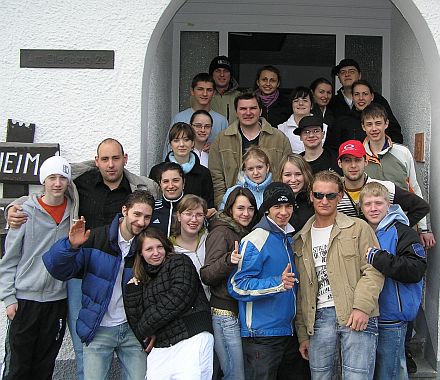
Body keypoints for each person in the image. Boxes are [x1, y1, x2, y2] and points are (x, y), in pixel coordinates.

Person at [6, 138, 160, 380]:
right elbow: (50, 187)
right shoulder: (80, 182)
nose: (111, 165)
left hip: (121, 271)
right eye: (105, 159)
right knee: (85, 346)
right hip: (83, 273)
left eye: (116, 158)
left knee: (128, 341)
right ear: (96, 161)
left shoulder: (138, 189)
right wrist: (15, 206)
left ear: (125, 159)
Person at [43, 190, 155, 380]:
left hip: (132, 330)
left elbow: (156, 289)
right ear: (125, 211)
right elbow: (58, 270)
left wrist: (151, 326)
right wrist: (70, 246)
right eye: (137, 214)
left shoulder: (148, 244)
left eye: (147, 217)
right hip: (99, 328)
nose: (141, 222)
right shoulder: (96, 238)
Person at [294, 170, 384, 380]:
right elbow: (301, 292)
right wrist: (302, 334)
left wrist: (362, 307)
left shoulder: (358, 228)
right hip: (317, 321)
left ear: (340, 196)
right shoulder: (300, 238)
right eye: (318, 195)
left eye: (330, 195)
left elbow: (373, 270)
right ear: (311, 196)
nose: (324, 200)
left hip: (356, 315)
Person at [0, 156, 74, 380]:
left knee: (45, 364)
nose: (58, 183)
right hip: (26, 301)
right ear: (44, 181)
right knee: (18, 367)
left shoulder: (74, 213)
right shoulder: (24, 212)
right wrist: (9, 298)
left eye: (62, 177)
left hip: (56, 301)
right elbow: (9, 259)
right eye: (52, 177)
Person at [228, 182, 310, 380]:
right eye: (277, 207)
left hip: (287, 333)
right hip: (261, 336)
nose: (283, 212)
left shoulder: (288, 237)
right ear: (267, 209)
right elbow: (237, 285)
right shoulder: (256, 238)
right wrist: (277, 284)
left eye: (288, 206)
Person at [124, 228, 214, 380]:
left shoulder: (180, 262)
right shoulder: (140, 281)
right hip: (161, 346)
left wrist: (147, 328)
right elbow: (135, 321)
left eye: (159, 247)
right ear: (141, 253)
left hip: (192, 337)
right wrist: (133, 292)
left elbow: (177, 299)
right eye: (149, 249)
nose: (156, 252)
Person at [360, 182, 426, 380]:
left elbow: (416, 269)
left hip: (391, 317)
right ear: (361, 208)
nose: (373, 208)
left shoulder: (403, 232)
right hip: (366, 314)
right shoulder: (360, 230)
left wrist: (378, 257)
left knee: (391, 371)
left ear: (389, 205)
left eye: (378, 203)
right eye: (368, 204)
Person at [200, 187, 259, 380]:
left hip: (240, 311)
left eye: (250, 208)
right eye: (240, 208)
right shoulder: (221, 232)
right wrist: (228, 260)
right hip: (224, 313)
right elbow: (207, 274)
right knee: (235, 375)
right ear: (230, 209)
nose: (246, 213)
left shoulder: (244, 232)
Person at [360, 104, 436, 249]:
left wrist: (425, 228)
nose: (374, 129)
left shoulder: (402, 152)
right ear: (363, 127)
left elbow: (416, 189)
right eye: (369, 124)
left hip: (403, 223)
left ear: (386, 124)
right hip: (371, 228)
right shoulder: (358, 157)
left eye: (378, 123)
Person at [209, 92, 292, 207]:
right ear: (236, 112)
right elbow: (216, 177)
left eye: (253, 108)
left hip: (272, 208)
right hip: (234, 208)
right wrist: (224, 207)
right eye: (243, 108)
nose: (248, 113)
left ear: (260, 111)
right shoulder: (221, 140)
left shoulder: (279, 138)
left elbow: (287, 173)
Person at [329, 58, 403, 144]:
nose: (347, 74)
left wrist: (389, 148)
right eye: (343, 72)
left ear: (359, 75)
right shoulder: (333, 102)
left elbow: (394, 129)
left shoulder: (378, 100)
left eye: (351, 71)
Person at [151, 122, 216, 213]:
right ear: (170, 144)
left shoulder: (204, 173)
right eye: (176, 140)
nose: (181, 144)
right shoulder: (157, 171)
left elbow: (209, 205)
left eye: (186, 140)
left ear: (193, 143)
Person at [164, 72, 228, 158]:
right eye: (200, 89)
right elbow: (168, 150)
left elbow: (227, 150)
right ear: (192, 91)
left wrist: (216, 148)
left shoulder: (222, 121)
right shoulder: (179, 118)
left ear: (214, 93)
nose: (204, 94)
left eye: (209, 90)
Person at [170, 194, 210, 298]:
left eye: (199, 215)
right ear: (179, 216)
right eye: (188, 214)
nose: (194, 219)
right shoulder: (170, 250)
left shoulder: (210, 239)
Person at [278, 86, 328, 153]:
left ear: (312, 105)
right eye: (296, 101)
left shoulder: (324, 127)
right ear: (291, 105)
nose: (301, 104)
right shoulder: (281, 129)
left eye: (305, 100)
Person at [276, 153, 315, 232]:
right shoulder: (272, 201)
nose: (293, 180)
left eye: (298, 174)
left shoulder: (314, 200)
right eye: (287, 175)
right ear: (281, 176)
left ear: (305, 175)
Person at [150, 162, 185, 237]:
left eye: (175, 180)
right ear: (160, 185)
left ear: (183, 183)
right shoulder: (152, 208)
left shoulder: (194, 208)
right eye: (166, 181)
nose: (171, 186)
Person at [208, 55, 241, 123]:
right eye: (218, 71)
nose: (222, 74)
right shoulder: (205, 96)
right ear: (212, 74)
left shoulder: (240, 96)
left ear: (231, 75)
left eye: (225, 71)